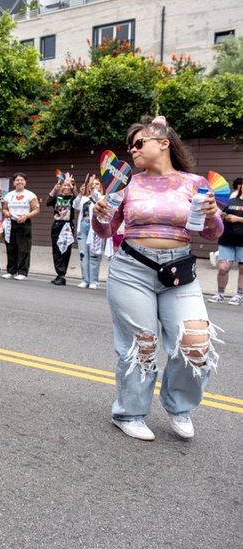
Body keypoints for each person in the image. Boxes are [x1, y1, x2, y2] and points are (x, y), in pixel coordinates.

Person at [92, 115, 222, 441]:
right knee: (142, 345)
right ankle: (129, 413)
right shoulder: (128, 184)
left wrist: (211, 216)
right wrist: (100, 215)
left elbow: (212, 233)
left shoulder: (194, 183)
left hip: (179, 271)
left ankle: (179, 406)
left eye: (139, 143)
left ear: (163, 143)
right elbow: (105, 230)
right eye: (130, 146)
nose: (133, 150)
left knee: (195, 343)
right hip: (132, 270)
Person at [209, 177, 243, 305]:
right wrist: (222, 215)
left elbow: (237, 218)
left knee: (242, 268)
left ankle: (239, 295)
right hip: (227, 239)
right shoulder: (230, 201)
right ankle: (220, 294)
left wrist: (238, 219)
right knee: (223, 268)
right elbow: (219, 214)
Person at [1, 173, 39, 280]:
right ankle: (11, 271)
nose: (19, 182)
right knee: (10, 247)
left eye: (22, 180)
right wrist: (6, 213)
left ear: (25, 182)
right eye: (17, 180)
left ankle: (22, 272)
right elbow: (4, 208)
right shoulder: (9, 195)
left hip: (24, 223)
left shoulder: (30, 195)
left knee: (24, 248)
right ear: (14, 182)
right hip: (11, 223)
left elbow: (36, 209)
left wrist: (26, 216)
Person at [74, 175, 105, 289]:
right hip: (83, 226)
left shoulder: (102, 197)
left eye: (97, 184)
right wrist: (80, 193)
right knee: (83, 255)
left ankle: (94, 281)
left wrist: (92, 189)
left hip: (95, 228)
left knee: (94, 255)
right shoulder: (84, 198)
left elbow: (98, 199)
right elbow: (75, 205)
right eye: (92, 184)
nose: (94, 185)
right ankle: (85, 280)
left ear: (100, 187)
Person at [46, 172, 76, 286]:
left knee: (66, 250)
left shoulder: (73, 199)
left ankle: (62, 274)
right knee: (56, 250)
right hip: (57, 225)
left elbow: (78, 200)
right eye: (64, 185)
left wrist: (73, 187)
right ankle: (59, 274)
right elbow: (48, 202)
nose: (66, 187)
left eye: (68, 186)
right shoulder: (57, 197)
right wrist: (55, 187)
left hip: (67, 225)